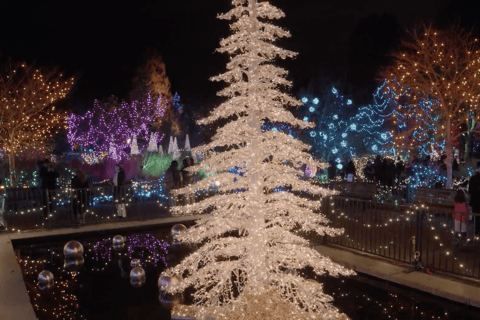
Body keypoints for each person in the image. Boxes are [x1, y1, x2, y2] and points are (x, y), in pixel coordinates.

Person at [468, 161, 480, 235]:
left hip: (476, 201)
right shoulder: (473, 179)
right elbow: (470, 190)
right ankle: (476, 231)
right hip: (476, 201)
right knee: (477, 218)